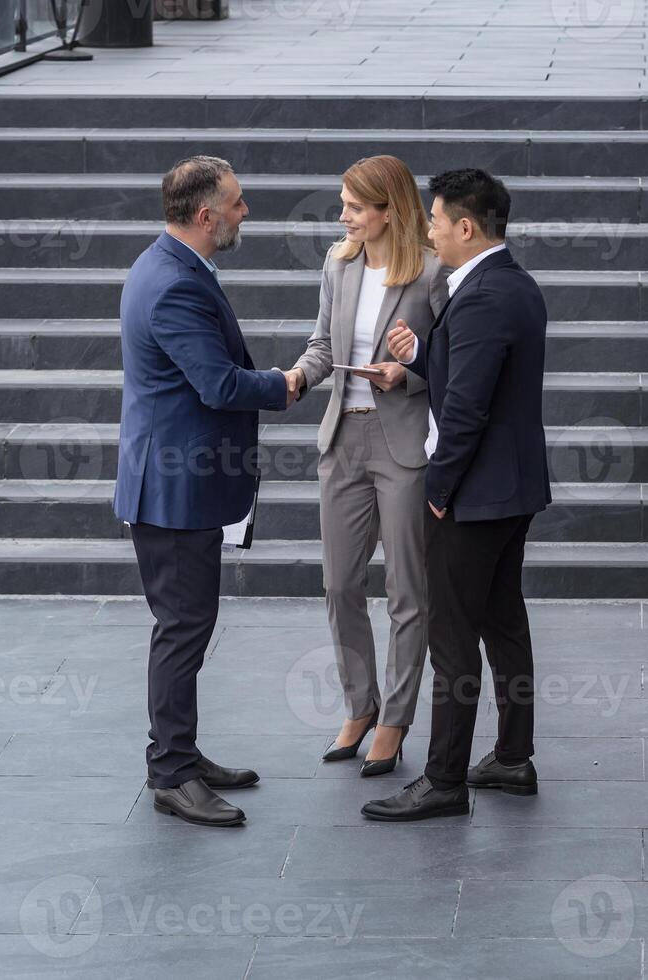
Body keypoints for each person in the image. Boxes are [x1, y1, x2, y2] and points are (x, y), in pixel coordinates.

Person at [113, 156, 299, 827]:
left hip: (173, 483)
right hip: (173, 491)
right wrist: (289, 382)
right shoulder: (173, 285)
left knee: (188, 626)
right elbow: (218, 385)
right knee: (182, 630)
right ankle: (169, 773)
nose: (244, 212)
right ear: (205, 214)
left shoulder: (165, 265)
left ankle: (181, 755)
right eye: (238, 203)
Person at [362, 168, 552, 822]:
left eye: (437, 221)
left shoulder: (480, 297)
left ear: (466, 227)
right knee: (503, 623)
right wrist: (417, 359)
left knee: (451, 639)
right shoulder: (510, 285)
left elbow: (466, 412)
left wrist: (437, 493)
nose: (431, 232)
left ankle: (443, 780)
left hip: (472, 497)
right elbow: (472, 378)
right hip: (510, 490)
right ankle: (513, 755)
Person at [286, 156, 449, 776]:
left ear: (389, 210)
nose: (344, 216)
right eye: (344, 205)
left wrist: (405, 375)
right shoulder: (339, 262)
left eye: (355, 206)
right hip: (342, 438)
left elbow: (445, 365)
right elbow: (324, 344)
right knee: (339, 585)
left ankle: (394, 720)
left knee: (407, 589)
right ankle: (360, 704)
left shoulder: (431, 274)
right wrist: (302, 374)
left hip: (402, 441)